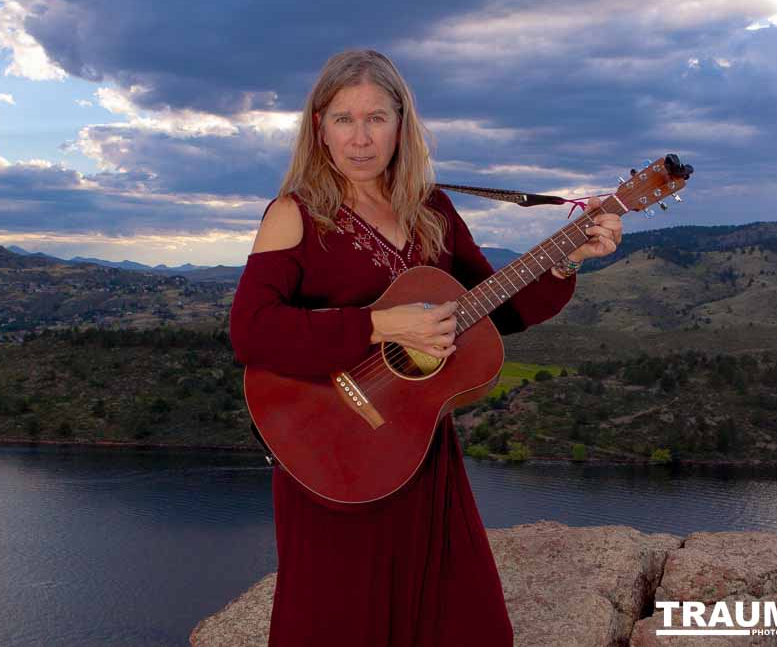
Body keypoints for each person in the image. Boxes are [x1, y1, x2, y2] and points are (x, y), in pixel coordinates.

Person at [229, 49, 622, 647]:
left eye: (376, 118)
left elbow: (499, 311)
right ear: (319, 128)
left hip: (419, 453)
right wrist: (382, 327)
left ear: (401, 124)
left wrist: (568, 257)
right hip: (330, 455)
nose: (360, 139)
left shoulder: (431, 209)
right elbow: (252, 331)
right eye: (343, 119)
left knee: (471, 626)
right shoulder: (295, 215)